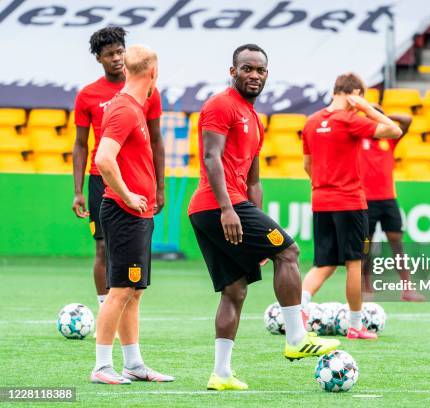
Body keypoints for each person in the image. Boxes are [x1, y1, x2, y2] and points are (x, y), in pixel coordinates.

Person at [188, 44, 339, 391]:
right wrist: (228, 208)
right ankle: (297, 337)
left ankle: (221, 374)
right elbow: (211, 159)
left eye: (260, 70)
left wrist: (252, 215)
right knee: (289, 252)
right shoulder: (220, 105)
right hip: (217, 205)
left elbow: (253, 180)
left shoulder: (255, 119)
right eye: (247, 68)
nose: (254, 75)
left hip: (227, 207)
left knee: (234, 290)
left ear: (267, 75)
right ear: (233, 71)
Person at [91, 45, 173, 384]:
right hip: (124, 212)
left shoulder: (134, 107)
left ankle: (134, 363)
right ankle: (101, 366)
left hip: (135, 215)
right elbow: (103, 159)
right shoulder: (125, 110)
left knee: (133, 290)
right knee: (121, 290)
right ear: (153, 72)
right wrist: (128, 195)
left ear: (126, 69)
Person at [301, 73, 402, 340]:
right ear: (355, 92)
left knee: (323, 263)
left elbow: (307, 165)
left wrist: (324, 185)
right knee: (354, 262)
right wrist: (367, 109)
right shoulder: (349, 120)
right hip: (350, 202)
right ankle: (356, 326)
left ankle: (297, 313)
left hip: (321, 202)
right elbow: (395, 130)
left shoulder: (311, 122)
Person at [71, 27, 165, 312]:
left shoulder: (149, 91)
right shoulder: (88, 95)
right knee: (102, 247)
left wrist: (160, 186)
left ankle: (119, 307)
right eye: (109, 54)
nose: (116, 58)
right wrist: (78, 191)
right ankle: (106, 308)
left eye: (120, 52)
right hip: (103, 179)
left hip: (137, 181)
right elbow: (80, 145)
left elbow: (157, 140)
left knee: (131, 251)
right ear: (99, 58)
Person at [359, 105, 424, 302]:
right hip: (365, 200)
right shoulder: (359, 139)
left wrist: (385, 115)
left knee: (397, 244)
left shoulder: (390, 140)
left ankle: (407, 289)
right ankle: (365, 287)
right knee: (366, 246)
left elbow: (407, 120)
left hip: (388, 199)